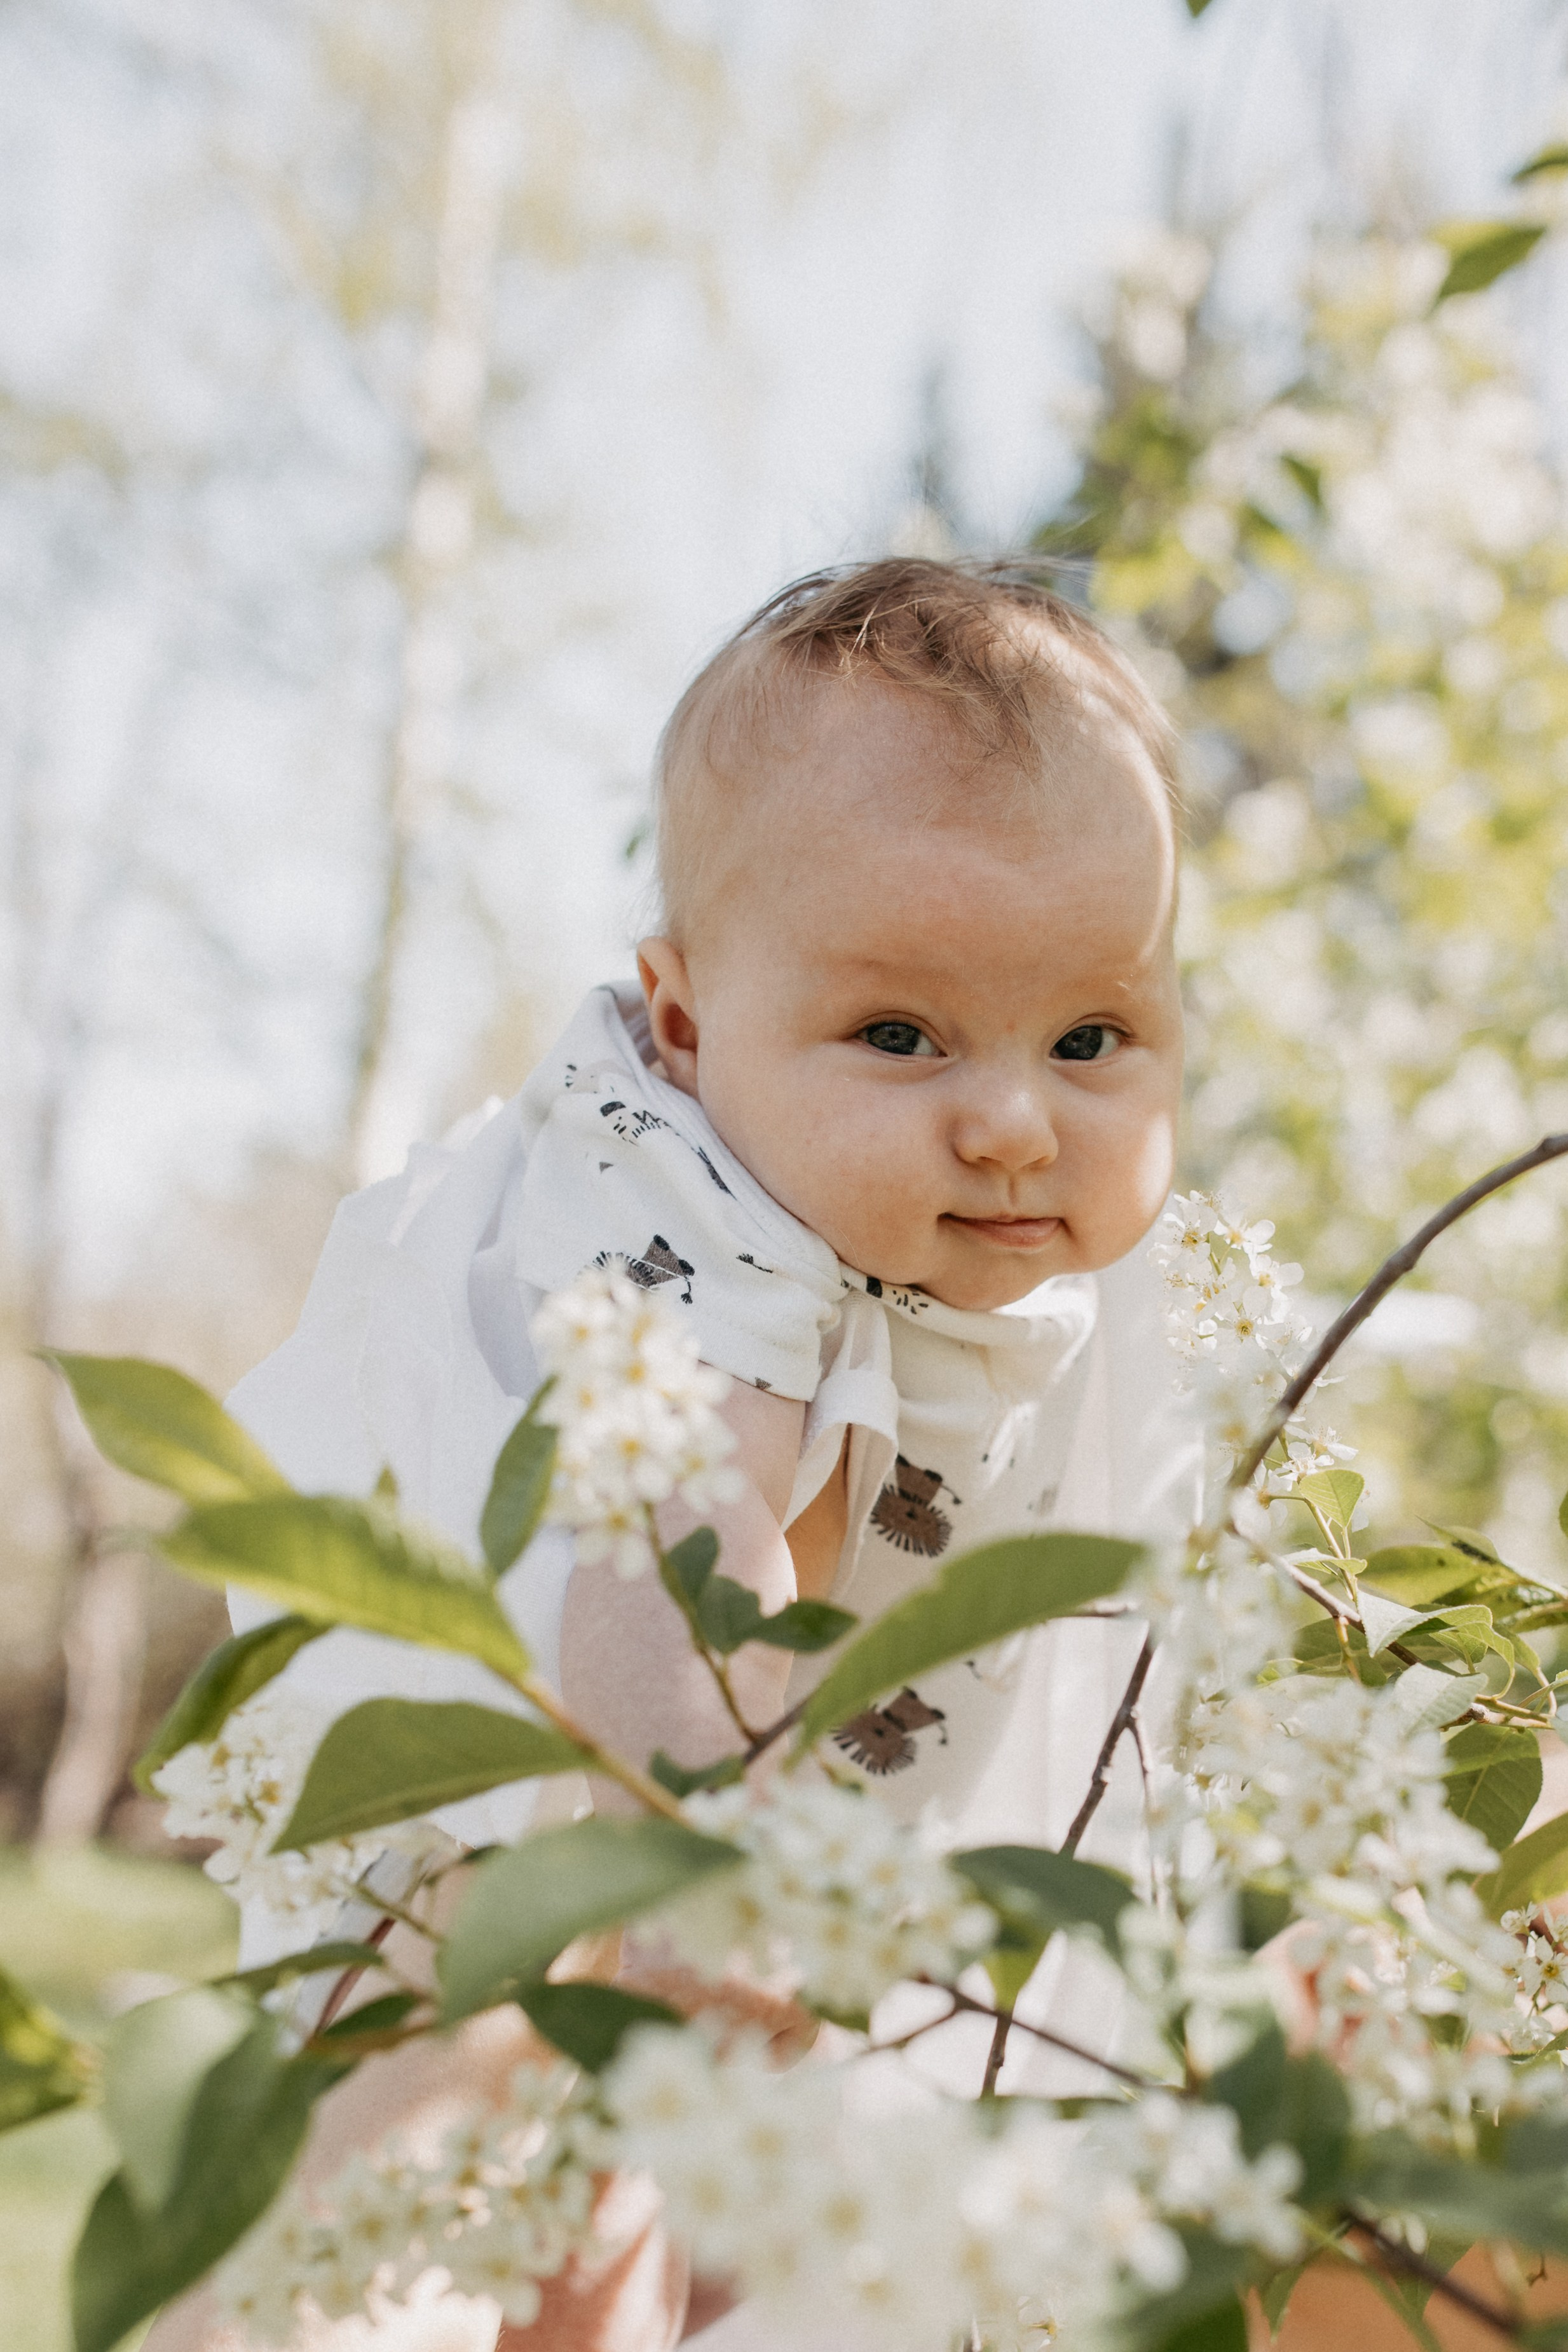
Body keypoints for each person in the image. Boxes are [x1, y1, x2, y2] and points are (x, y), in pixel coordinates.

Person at [144, 558, 1201, 2352]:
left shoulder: (991, 1231)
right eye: (899, 1033)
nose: (1017, 1119)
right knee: (400, 2186)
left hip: (735, 1798)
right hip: (536, 1781)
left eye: (1091, 1035)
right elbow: (672, 1544)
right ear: (690, 1023)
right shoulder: (704, 1222)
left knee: (696, 2217)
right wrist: (700, 1855)